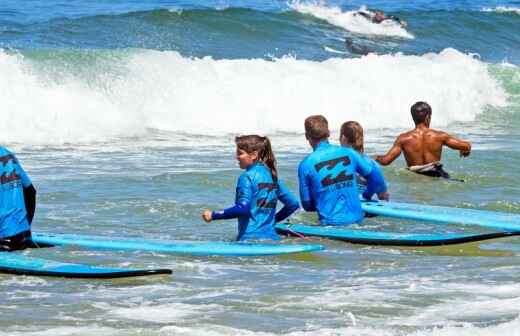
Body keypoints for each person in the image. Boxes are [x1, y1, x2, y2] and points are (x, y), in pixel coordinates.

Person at [202, 135, 299, 241]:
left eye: (240, 153)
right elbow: (293, 204)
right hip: (273, 239)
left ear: (253, 155)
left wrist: (214, 215)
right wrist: (273, 220)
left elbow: (243, 208)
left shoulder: (247, 177)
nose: (236, 157)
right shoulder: (272, 176)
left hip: (250, 240)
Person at [298, 115, 380, 226]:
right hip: (358, 221)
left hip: (330, 225)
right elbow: (375, 177)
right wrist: (367, 195)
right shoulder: (349, 153)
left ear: (307, 136)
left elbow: (307, 205)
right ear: (329, 132)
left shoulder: (305, 165)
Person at [374, 101, 471, 179]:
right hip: (436, 175)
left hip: (416, 176)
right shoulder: (440, 136)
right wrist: (464, 150)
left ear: (413, 118)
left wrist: (376, 157)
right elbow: (467, 146)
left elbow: (386, 161)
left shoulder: (403, 139)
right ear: (428, 117)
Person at [340, 121, 389, 201]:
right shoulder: (372, 164)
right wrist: (366, 195)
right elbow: (383, 196)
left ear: (343, 138)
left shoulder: (336, 162)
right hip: (365, 208)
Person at [0, 146, 36, 251]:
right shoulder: (7, 153)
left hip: (4, 241)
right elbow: (31, 191)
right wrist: (25, 226)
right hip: (24, 236)